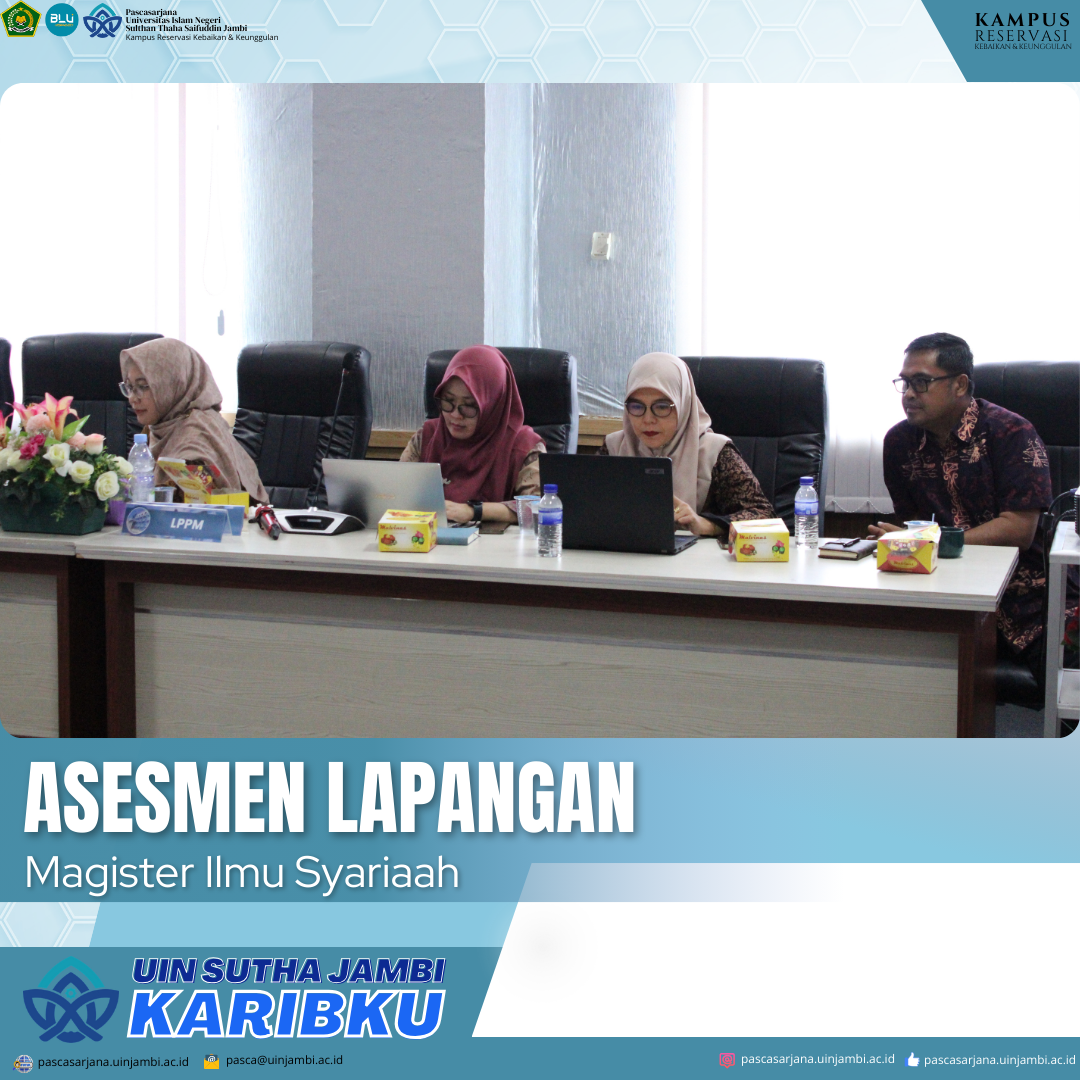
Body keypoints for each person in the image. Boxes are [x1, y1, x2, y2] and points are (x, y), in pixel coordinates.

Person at [870, 332, 1052, 675]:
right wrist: (900, 543)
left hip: (1027, 597)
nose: (909, 394)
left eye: (921, 382)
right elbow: (914, 527)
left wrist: (936, 542)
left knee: (1065, 677)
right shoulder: (899, 443)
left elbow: (1019, 530)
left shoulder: (1011, 433)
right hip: (944, 593)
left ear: (960, 385)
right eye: (905, 383)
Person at [602, 352, 773, 540]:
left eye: (662, 407)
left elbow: (765, 516)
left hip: (699, 558)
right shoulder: (614, 447)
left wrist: (705, 524)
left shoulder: (714, 452)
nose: (648, 419)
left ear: (682, 404)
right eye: (637, 407)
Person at [400, 345, 544, 524]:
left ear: (492, 405)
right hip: (426, 538)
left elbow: (538, 507)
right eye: (448, 401)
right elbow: (396, 493)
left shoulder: (524, 446)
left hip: (496, 541)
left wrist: (473, 511)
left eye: (469, 406)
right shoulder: (426, 437)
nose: (455, 415)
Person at [119, 338, 269, 503]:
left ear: (173, 383)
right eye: (129, 387)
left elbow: (192, 506)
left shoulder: (197, 436)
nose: (132, 398)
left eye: (143, 386)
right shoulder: (158, 426)